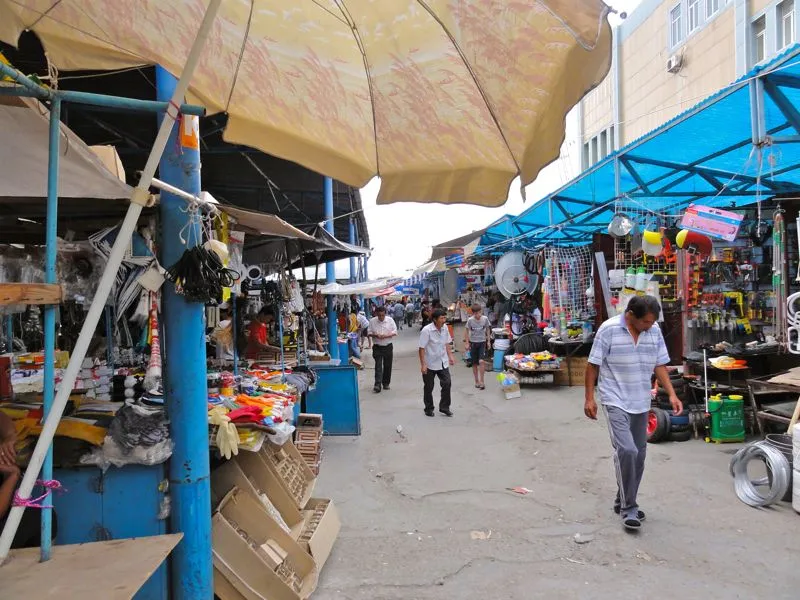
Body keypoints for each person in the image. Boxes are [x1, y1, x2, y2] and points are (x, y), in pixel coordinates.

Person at [584, 295, 683, 532]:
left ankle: (622, 499)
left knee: (638, 455)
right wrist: (589, 398)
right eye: (646, 322)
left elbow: (659, 364)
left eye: (652, 322)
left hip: (641, 400)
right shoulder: (608, 330)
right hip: (615, 399)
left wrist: (671, 393)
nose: (649, 326)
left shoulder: (654, 331)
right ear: (630, 315)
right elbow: (592, 365)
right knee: (626, 450)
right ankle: (630, 507)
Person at [419, 308, 455, 417]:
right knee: (429, 386)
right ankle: (428, 408)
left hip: (442, 361)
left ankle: (444, 407)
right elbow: (421, 348)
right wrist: (423, 364)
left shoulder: (445, 328)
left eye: (445, 317)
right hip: (430, 363)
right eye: (442, 318)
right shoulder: (426, 330)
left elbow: (447, 343)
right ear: (435, 319)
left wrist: (450, 355)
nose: (444, 320)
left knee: (447, 383)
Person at [368, 306, 397, 393]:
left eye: (382, 315)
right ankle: (377, 384)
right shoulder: (372, 321)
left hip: (387, 345)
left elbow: (395, 332)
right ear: (376, 314)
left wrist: (386, 336)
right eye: (379, 315)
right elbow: (368, 333)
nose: (381, 317)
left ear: (385, 314)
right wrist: (375, 335)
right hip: (377, 346)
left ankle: (386, 383)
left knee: (387, 365)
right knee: (378, 365)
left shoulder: (390, 320)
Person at [463, 304, 491, 389]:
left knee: (481, 361)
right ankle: (476, 381)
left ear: (481, 311)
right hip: (473, 343)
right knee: (474, 364)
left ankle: (482, 381)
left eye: (479, 313)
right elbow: (466, 331)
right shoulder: (470, 320)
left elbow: (488, 329)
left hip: (482, 342)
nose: (478, 315)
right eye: (476, 313)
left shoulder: (485, 319)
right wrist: (467, 343)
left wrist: (488, 341)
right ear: (473, 313)